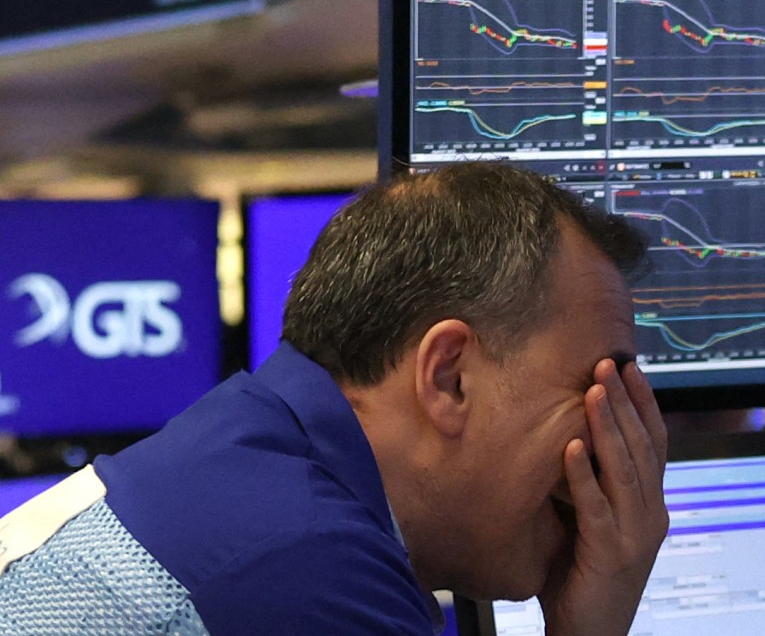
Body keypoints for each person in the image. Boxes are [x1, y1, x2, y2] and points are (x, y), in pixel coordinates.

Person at [0, 161, 669, 635]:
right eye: (595, 391)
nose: (621, 452)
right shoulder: (309, 574)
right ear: (448, 377)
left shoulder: (243, 458)